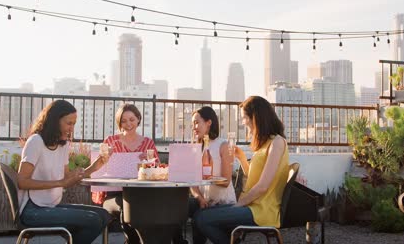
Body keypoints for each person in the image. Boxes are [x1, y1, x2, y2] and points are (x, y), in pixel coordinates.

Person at [193, 96, 290, 244]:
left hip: (261, 211)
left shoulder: (277, 142)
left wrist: (240, 203)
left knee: (202, 219)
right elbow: (253, 176)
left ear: (256, 117)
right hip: (252, 207)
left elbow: (262, 186)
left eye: (244, 117)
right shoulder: (264, 144)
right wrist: (242, 157)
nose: (243, 122)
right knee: (200, 213)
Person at [18, 99, 111, 244]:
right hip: (32, 210)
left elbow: (67, 179)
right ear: (54, 121)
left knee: (104, 215)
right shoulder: (36, 142)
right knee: (92, 220)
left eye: (74, 124)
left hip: (51, 205)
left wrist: (94, 167)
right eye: (69, 123)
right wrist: (61, 182)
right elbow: (22, 182)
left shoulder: (63, 145)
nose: (72, 129)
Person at [91, 103, 159, 244]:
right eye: (124, 120)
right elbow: (98, 170)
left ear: (138, 119)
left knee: (148, 207)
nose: (128, 124)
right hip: (114, 195)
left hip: (141, 193)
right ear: (119, 123)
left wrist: (149, 162)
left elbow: (157, 171)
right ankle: (133, 241)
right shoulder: (110, 142)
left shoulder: (148, 143)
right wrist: (105, 157)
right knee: (126, 207)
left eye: (132, 119)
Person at [173, 106, 236, 244]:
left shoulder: (223, 145)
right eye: (192, 124)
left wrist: (207, 178)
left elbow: (226, 181)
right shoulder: (195, 147)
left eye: (197, 122)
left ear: (209, 122)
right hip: (204, 200)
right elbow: (193, 183)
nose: (194, 127)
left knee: (198, 217)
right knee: (174, 207)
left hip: (222, 203)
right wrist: (199, 197)